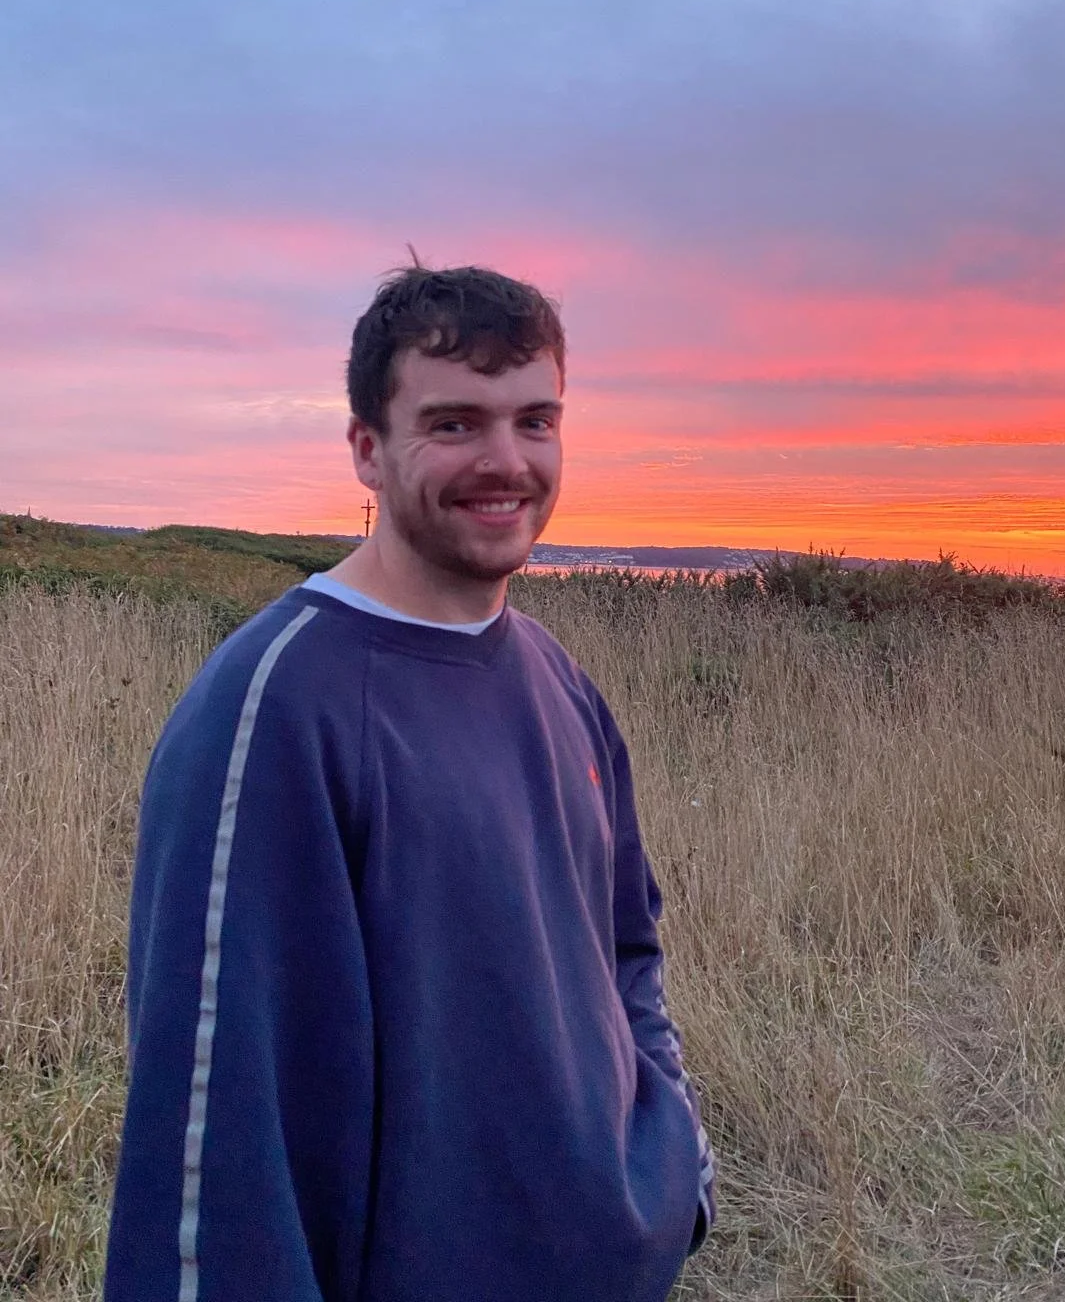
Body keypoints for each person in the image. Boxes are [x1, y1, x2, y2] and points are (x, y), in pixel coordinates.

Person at [104, 261, 716, 1302]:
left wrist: (674, 1165)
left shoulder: (559, 681)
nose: (505, 460)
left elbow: (629, 946)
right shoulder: (274, 709)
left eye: (536, 419)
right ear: (366, 450)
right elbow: (211, 1138)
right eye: (455, 423)